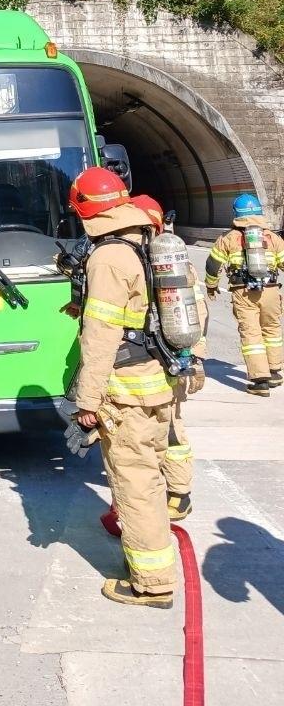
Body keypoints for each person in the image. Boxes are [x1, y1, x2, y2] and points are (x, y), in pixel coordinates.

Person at [69, 168, 177, 608]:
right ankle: (152, 563)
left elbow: (100, 336)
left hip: (127, 389)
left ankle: (151, 584)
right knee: (151, 476)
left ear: (84, 210)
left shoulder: (108, 257)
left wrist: (87, 400)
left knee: (135, 485)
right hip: (158, 381)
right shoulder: (150, 241)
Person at [131, 195, 207, 521]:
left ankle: (179, 493)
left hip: (162, 358)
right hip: (173, 355)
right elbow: (199, 310)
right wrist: (197, 357)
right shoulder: (175, 261)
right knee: (165, 425)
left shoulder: (145, 259)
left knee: (171, 428)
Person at [205, 192, 284, 396]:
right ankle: (274, 371)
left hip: (244, 292)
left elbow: (213, 265)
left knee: (251, 333)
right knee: (272, 330)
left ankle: (260, 380)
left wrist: (211, 285)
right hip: (271, 290)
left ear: (236, 213)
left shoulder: (228, 238)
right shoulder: (272, 238)